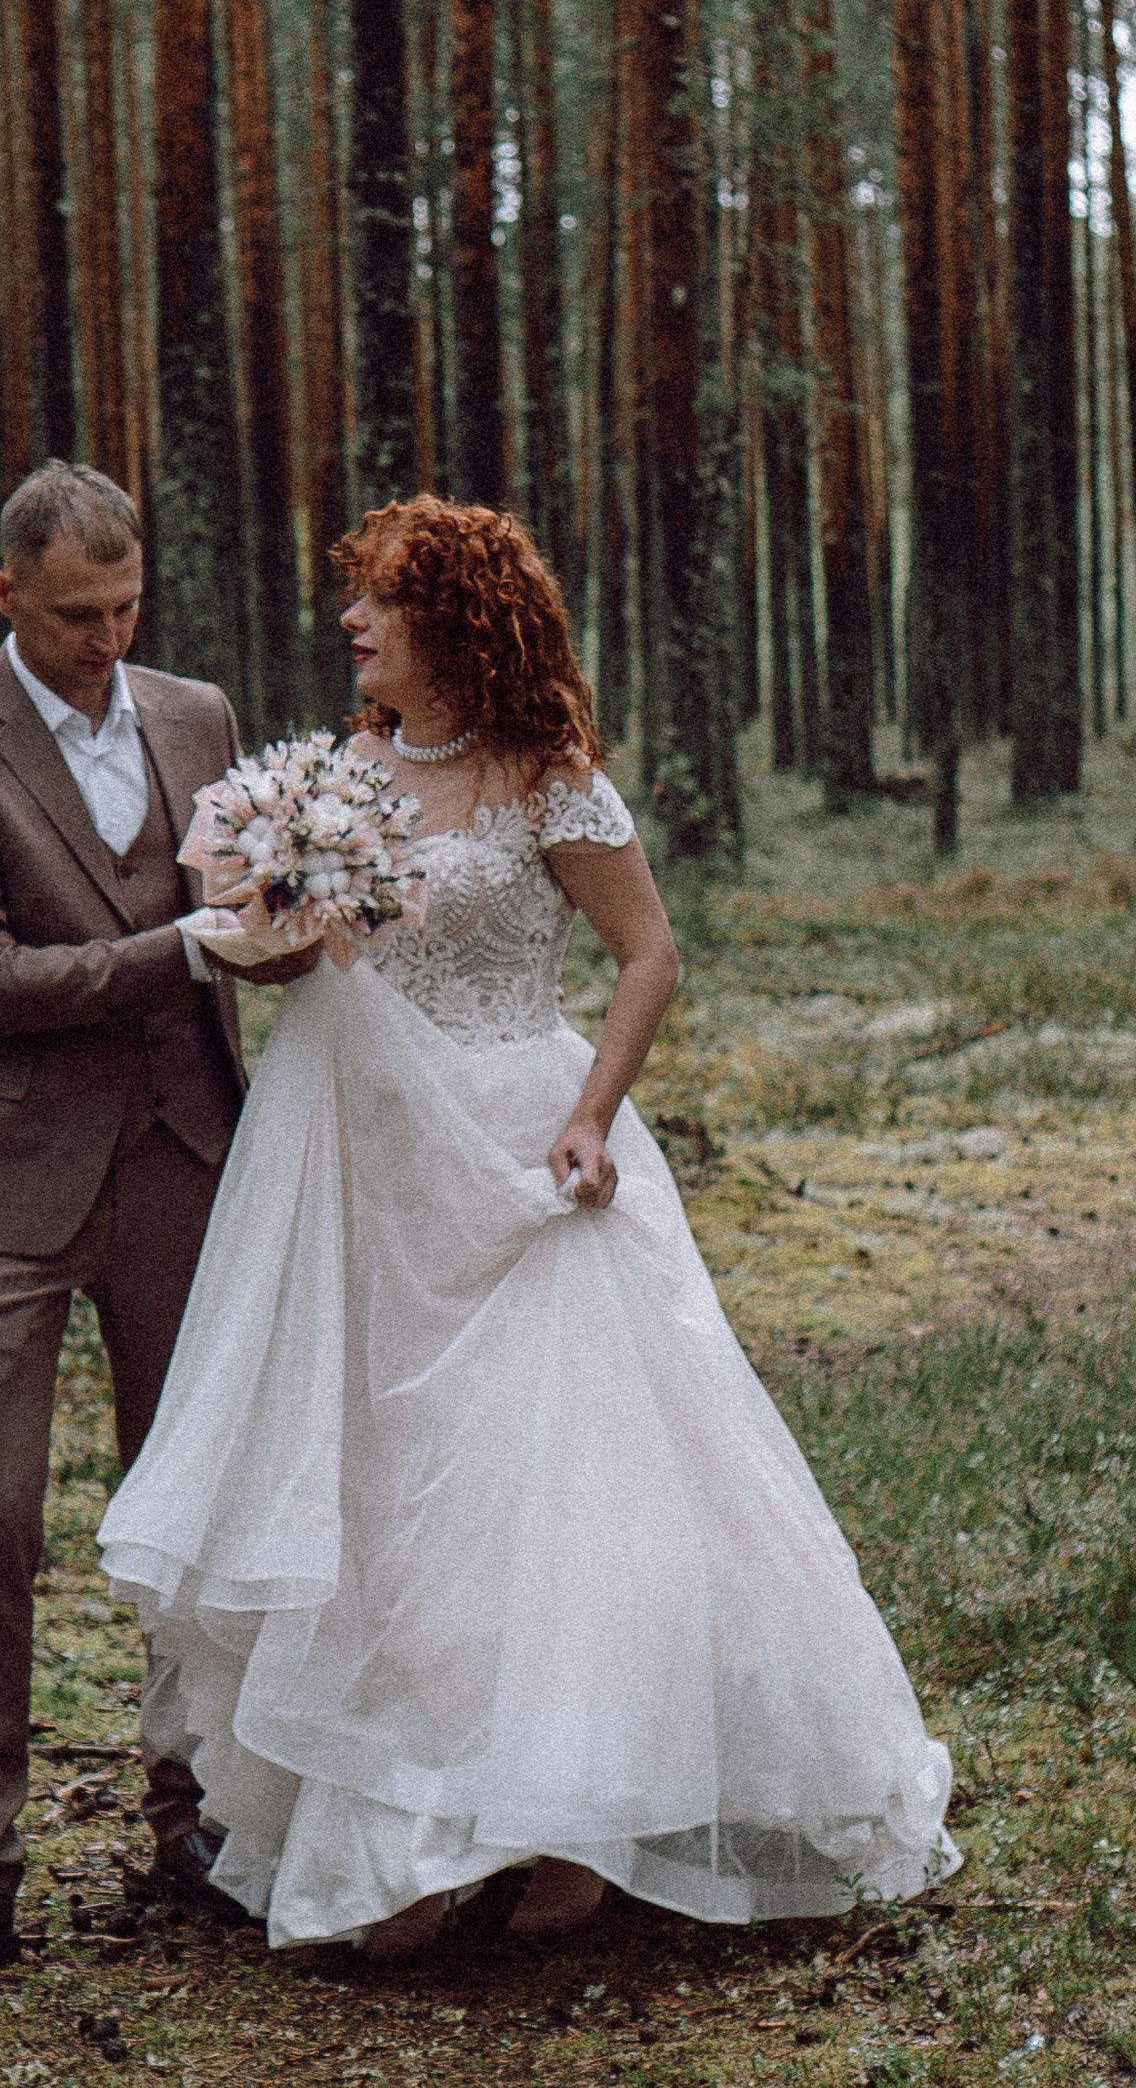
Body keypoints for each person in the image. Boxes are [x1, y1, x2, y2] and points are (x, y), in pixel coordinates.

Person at [100, 494, 957, 1956]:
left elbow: (647, 952)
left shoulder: (547, 777)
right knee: (391, 1486)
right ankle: (412, 1829)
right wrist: (268, 926)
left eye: (378, 600)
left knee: (548, 1494)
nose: (352, 622)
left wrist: (593, 1115)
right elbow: (306, 963)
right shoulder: (345, 770)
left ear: (453, 620)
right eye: (354, 598)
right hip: (367, 1159)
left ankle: (574, 1830)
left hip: (519, 1151)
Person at [0, 461, 304, 1995]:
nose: (106, 642)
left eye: (126, 609)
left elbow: (253, 905)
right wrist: (178, 947)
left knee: (191, 1511)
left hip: (187, 1163)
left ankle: (194, 1815)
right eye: (72, 618)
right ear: (5, 597)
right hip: (6, 1186)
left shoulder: (202, 717)